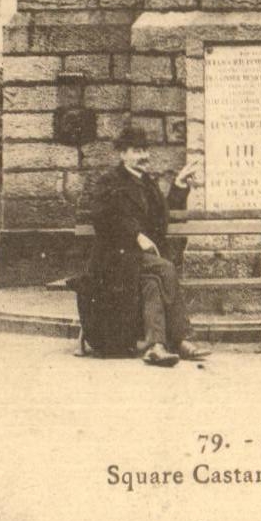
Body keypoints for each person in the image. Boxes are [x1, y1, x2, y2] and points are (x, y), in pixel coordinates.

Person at [85, 125, 211, 366]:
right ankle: (182, 338)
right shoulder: (109, 181)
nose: (144, 155)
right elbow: (102, 217)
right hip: (115, 260)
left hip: (139, 262)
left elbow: (161, 219)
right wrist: (135, 236)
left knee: (153, 283)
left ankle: (156, 346)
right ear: (122, 154)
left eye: (145, 150)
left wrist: (179, 184)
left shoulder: (148, 183)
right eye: (136, 150)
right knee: (165, 268)